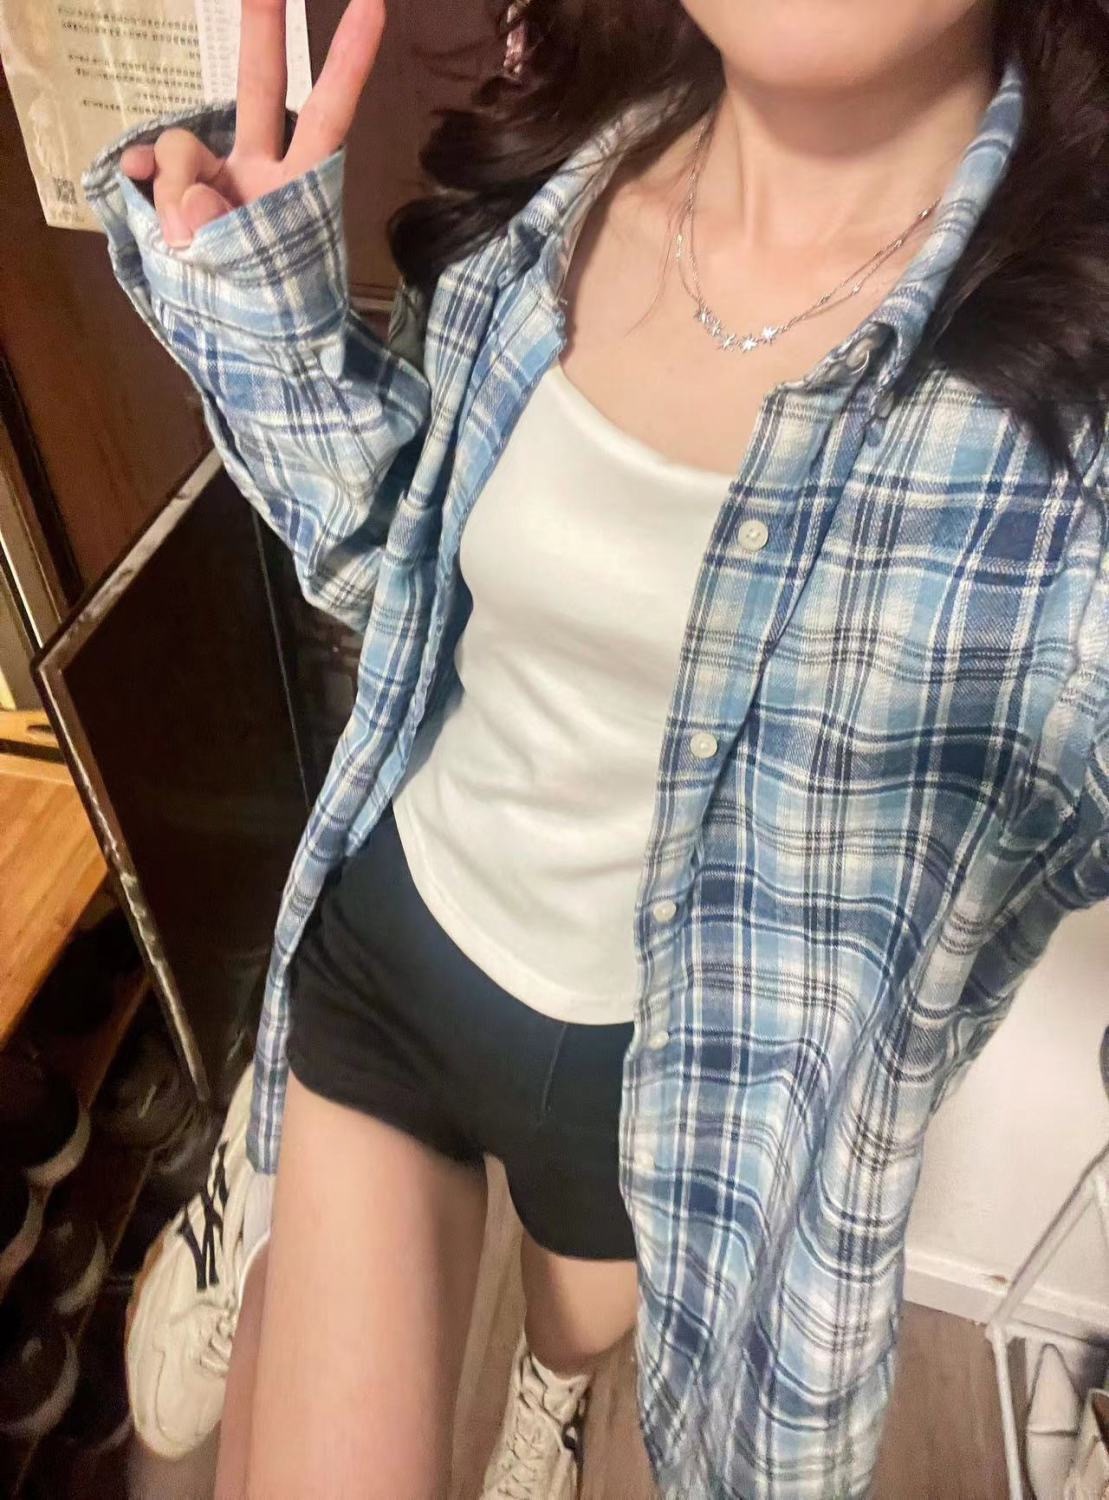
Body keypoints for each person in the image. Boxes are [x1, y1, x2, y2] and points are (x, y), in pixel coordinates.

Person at [81, 0, 1109, 1496]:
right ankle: (260, 1191)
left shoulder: (1071, 426)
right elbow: (398, 568)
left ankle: (546, 1405)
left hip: (668, 1099)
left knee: (568, 1340)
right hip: (401, 944)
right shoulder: (560, 173)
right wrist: (268, 325)